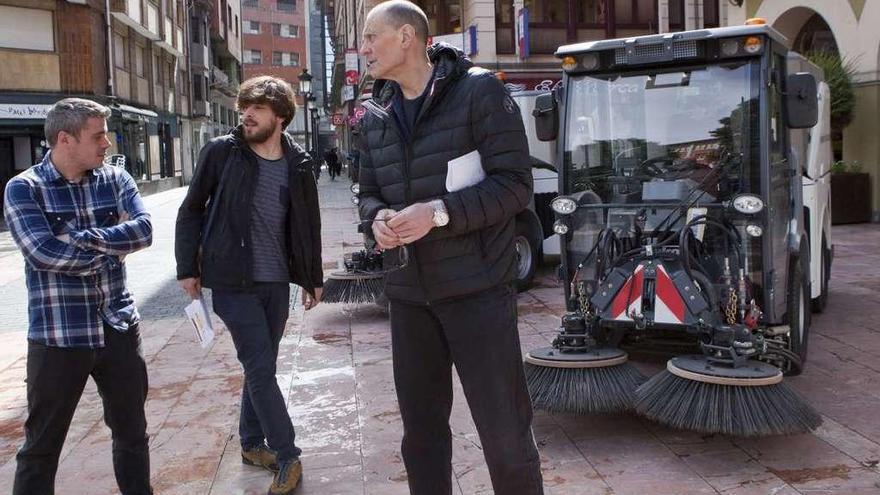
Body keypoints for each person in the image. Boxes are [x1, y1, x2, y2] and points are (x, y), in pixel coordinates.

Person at [357, 2, 544, 494]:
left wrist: (437, 212)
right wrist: (375, 218)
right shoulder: (375, 113)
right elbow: (369, 191)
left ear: (405, 37)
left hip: (479, 293)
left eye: (371, 36)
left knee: (504, 434)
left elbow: (515, 187)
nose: (364, 47)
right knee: (420, 438)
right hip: (408, 297)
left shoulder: (479, 92)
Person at [175, 76, 323, 495]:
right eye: (245, 107)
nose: (247, 115)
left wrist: (312, 278)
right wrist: (188, 267)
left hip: (276, 283)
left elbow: (307, 225)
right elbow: (190, 211)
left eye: (257, 108)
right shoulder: (223, 153)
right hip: (232, 281)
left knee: (261, 368)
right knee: (259, 367)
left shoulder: (299, 162)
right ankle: (287, 453)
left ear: (280, 116)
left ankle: (251, 444)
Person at [3, 98, 154, 494]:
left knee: (132, 435)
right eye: (98, 135)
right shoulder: (24, 188)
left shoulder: (116, 179)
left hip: (118, 325)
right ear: (65, 139)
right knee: (41, 448)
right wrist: (111, 248)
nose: (107, 144)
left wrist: (82, 239)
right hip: (58, 337)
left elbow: (144, 231)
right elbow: (43, 252)